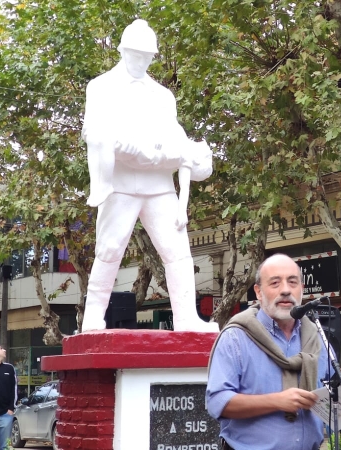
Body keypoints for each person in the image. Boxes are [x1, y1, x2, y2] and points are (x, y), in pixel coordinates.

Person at [80, 18, 217, 333]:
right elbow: (94, 132)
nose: (141, 61)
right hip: (120, 184)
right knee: (110, 250)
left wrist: (188, 152)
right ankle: (92, 318)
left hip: (159, 186)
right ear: (123, 51)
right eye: (136, 54)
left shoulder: (163, 96)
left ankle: (186, 319)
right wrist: (131, 149)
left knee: (178, 252)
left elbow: (174, 136)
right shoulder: (100, 86)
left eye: (147, 56)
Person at [205, 254, 341, 450]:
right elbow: (216, 402)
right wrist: (276, 401)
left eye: (293, 282)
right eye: (275, 283)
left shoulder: (318, 338)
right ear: (258, 291)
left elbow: (329, 400)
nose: (285, 290)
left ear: (302, 289)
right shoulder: (236, 338)